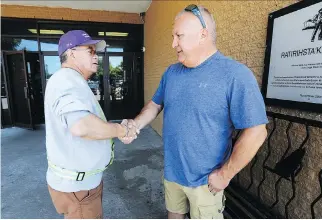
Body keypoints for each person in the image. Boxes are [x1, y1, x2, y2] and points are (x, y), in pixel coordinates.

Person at [120, 5, 268, 219]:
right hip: (172, 172)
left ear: (203, 35)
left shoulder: (235, 75)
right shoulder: (171, 73)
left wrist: (226, 174)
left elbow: (257, 131)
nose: (173, 44)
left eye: (178, 36)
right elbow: (154, 105)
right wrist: (136, 124)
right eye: (173, 36)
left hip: (206, 182)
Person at [44, 30, 137, 219]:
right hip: (79, 190)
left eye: (96, 52)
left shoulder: (70, 80)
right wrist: (121, 130)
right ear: (71, 53)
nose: (96, 56)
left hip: (78, 185)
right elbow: (82, 126)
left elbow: (86, 121)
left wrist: (112, 127)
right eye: (90, 51)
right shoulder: (67, 80)